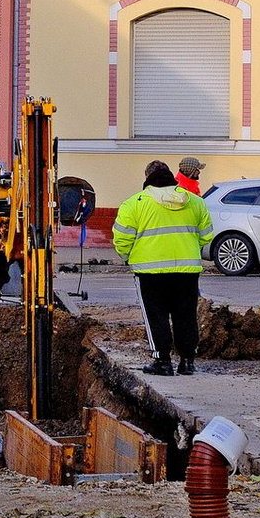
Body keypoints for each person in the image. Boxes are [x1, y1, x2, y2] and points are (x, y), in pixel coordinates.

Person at [113, 160, 211, 377]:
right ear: (170, 176)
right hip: (187, 270)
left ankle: (163, 361)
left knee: (156, 316)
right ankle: (187, 362)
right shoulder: (195, 202)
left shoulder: (134, 204)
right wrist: (188, 249)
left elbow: (122, 238)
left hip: (150, 272)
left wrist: (127, 257)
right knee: (186, 314)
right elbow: (206, 235)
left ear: (147, 177)